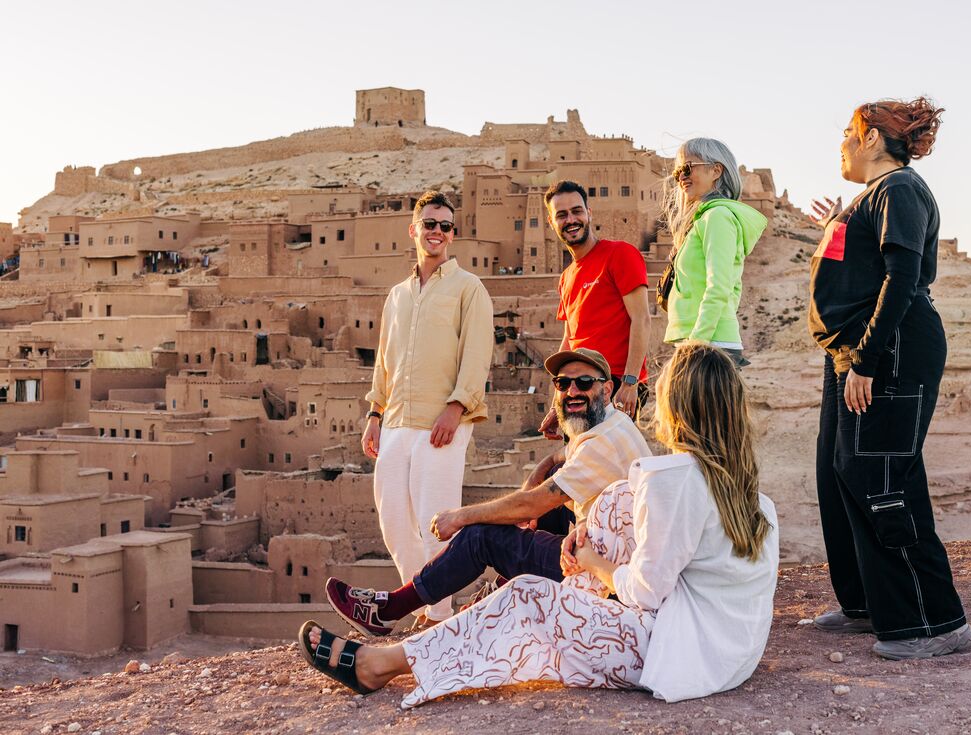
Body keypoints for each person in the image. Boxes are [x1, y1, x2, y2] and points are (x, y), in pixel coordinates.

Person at [299, 342, 779, 707]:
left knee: (528, 594)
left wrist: (590, 560)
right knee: (612, 504)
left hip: (678, 656)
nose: (571, 392)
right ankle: (454, 619)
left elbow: (645, 595)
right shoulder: (754, 497)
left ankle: (378, 664)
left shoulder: (671, 480)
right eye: (564, 384)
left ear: (676, 408)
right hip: (733, 657)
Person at [807, 97, 971, 659]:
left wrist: (868, 361)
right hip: (851, 349)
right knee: (840, 473)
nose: (841, 142)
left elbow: (902, 279)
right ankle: (869, 604)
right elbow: (854, 270)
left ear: (873, 138)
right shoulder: (871, 199)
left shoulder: (900, 189)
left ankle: (934, 623)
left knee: (882, 477)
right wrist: (835, 227)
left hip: (891, 346)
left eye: (848, 132)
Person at [329, 347, 651, 635]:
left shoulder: (601, 443)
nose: (571, 391)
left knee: (481, 537)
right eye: (562, 384)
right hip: (608, 555)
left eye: (584, 383)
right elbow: (555, 465)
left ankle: (389, 610)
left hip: (601, 577)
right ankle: (502, 588)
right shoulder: (612, 424)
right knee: (551, 481)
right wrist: (538, 480)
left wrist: (461, 517)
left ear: (607, 389)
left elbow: (532, 505)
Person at [360, 190, 494, 627]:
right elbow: (385, 358)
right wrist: (374, 414)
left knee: (436, 520)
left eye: (445, 226)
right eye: (430, 224)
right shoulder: (397, 296)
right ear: (413, 229)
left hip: (444, 421)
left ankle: (441, 616)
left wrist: (456, 407)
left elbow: (477, 352)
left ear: (453, 234)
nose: (437, 232)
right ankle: (427, 606)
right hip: (397, 419)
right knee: (395, 522)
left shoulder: (468, 288)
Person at [538, 180, 651, 434]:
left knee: (608, 465)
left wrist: (631, 382)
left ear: (589, 213)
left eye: (577, 211)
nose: (571, 220)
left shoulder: (619, 254)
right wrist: (557, 403)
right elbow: (570, 340)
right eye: (562, 215)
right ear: (551, 223)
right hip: (578, 388)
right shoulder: (566, 277)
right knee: (581, 465)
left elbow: (641, 319)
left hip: (616, 384)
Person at [662, 138, 767, 367]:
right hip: (702, 341)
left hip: (709, 345)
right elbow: (733, 287)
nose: (682, 176)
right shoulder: (703, 219)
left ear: (716, 170)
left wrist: (697, 343)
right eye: (678, 170)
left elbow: (719, 285)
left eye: (688, 167)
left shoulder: (717, 216)